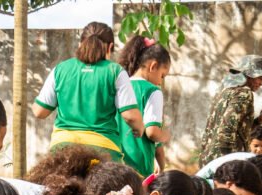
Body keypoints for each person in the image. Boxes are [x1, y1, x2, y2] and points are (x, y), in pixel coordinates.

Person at [32, 21, 143, 163]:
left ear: (80, 44)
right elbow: (130, 116)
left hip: (63, 150)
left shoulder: (60, 69)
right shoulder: (115, 71)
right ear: (110, 47)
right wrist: (139, 128)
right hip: (104, 150)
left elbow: (39, 112)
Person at [198, 55, 262, 166]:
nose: (261, 83)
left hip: (209, 158)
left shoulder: (225, 91)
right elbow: (226, 129)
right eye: (260, 78)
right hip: (223, 162)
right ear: (249, 75)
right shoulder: (244, 93)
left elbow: (238, 130)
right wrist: (230, 164)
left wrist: (259, 120)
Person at [117, 35, 171, 175]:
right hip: (139, 167)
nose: (160, 82)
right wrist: (165, 136)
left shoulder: (120, 85)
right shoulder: (152, 91)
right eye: (162, 75)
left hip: (115, 162)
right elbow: (152, 132)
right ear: (153, 66)